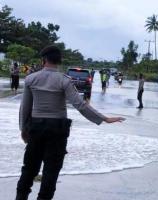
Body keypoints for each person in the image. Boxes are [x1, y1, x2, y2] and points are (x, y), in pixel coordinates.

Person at [16, 45, 125, 200]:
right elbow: (80, 105)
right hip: (57, 130)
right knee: (51, 171)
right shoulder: (64, 81)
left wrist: (23, 128)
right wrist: (104, 119)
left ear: (43, 60)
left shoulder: (31, 79)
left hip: (36, 127)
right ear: (59, 61)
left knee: (29, 169)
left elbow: (24, 108)